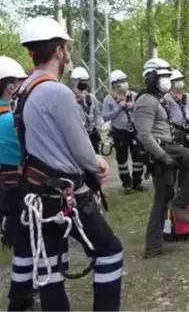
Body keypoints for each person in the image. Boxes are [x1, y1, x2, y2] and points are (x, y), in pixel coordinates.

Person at [11, 16, 122, 312]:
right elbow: (84, 152)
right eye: (66, 48)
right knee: (110, 252)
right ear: (59, 51)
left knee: (50, 268)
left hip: (36, 193)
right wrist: (97, 161)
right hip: (63, 196)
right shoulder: (57, 92)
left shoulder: (23, 90)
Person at [132, 58, 189, 258]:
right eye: (163, 76)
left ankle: (153, 246)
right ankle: (180, 205)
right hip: (161, 150)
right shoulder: (145, 101)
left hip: (167, 147)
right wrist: (164, 156)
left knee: (163, 196)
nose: (167, 80)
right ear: (151, 78)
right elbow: (144, 135)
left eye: (168, 76)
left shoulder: (158, 99)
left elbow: (163, 125)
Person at [0, 56, 36, 312]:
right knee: (25, 244)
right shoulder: (10, 121)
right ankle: (20, 301)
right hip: (16, 187)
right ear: (11, 87)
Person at [103, 69, 145, 194]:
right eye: (121, 81)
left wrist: (134, 107)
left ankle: (137, 182)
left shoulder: (132, 95)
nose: (124, 83)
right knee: (122, 159)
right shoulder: (109, 99)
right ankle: (126, 183)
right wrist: (118, 108)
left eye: (125, 80)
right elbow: (105, 117)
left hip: (134, 129)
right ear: (114, 84)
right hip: (119, 131)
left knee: (138, 156)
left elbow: (142, 110)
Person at [70, 67, 103, 152]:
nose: (84, 84)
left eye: (85, 82)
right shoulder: (69, 98)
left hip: (92, 136)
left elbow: (98, 114)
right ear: (74, 82)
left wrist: (98, 125)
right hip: (78, 138)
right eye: (81, 82)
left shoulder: (91, 98)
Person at [164, 69, 189, 148]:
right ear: (171, 82)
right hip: (175, 129)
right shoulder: (167, 97)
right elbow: (165, 115)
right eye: (176, 80)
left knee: (187, 151)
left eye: (180, 80)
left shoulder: (188, 97)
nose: (179, 82)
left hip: (187, 128)